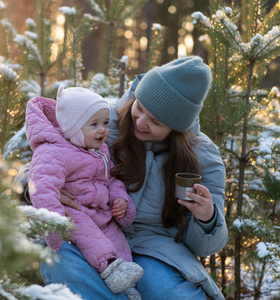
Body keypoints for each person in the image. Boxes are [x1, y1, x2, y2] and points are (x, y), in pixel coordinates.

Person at [20, 56, 228, 300]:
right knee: (58, 259)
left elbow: (208, 247)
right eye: (139, 108)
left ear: (177, 126)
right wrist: (29, 187)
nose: (140, 122)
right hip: (92, 231)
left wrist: (207, 217)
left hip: (157, 248)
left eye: (156, 121)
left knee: (162, 289)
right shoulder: (104, 121)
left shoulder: (203, 155)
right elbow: (46, 156)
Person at [25, 85, 144, 298]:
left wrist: (120, 199)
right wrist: (53, 223)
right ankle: (109, 267)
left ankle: (126, 285)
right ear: (73, 127)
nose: (103, 130)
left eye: (105, 123)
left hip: (101, 212)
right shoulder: (54, 151)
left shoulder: (100, 149)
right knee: (91, 238)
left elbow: (112, 177)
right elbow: (42, 187)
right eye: (94, 124)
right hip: (74, 211)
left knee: (118, 243)